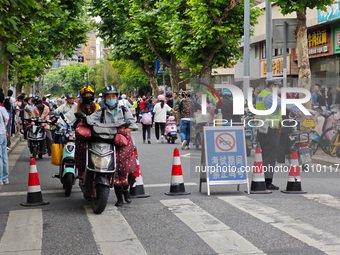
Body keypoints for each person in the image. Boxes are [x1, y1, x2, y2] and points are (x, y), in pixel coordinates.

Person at [80, 85, 138, 206]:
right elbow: (89, 120)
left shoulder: (123, 109)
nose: (111, 98)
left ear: (117, 97)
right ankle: (119, 199)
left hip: (123, 144)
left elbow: (133, 124)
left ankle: (126, 191)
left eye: (113, 96)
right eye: (108, 96)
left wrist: (123, 132)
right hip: (107, 143)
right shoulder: (100, 112)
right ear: (104, 98)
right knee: (114, 169)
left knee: (126, 169)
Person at [256, 80, 302, 190]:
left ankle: (261, 179)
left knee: (265, 156)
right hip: (271, 129)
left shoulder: (261, 95)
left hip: (262, 129)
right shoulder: (271, 96)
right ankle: (267, 182)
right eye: (278, 86)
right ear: (272, 86)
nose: (280, 89)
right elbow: (286, 104)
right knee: (270, 157)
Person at [0, 99, 9, 185]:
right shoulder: (2, 109)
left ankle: (0, 179)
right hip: (2, 133)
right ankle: (5, 178)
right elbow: (7, 119)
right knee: (4, 156)